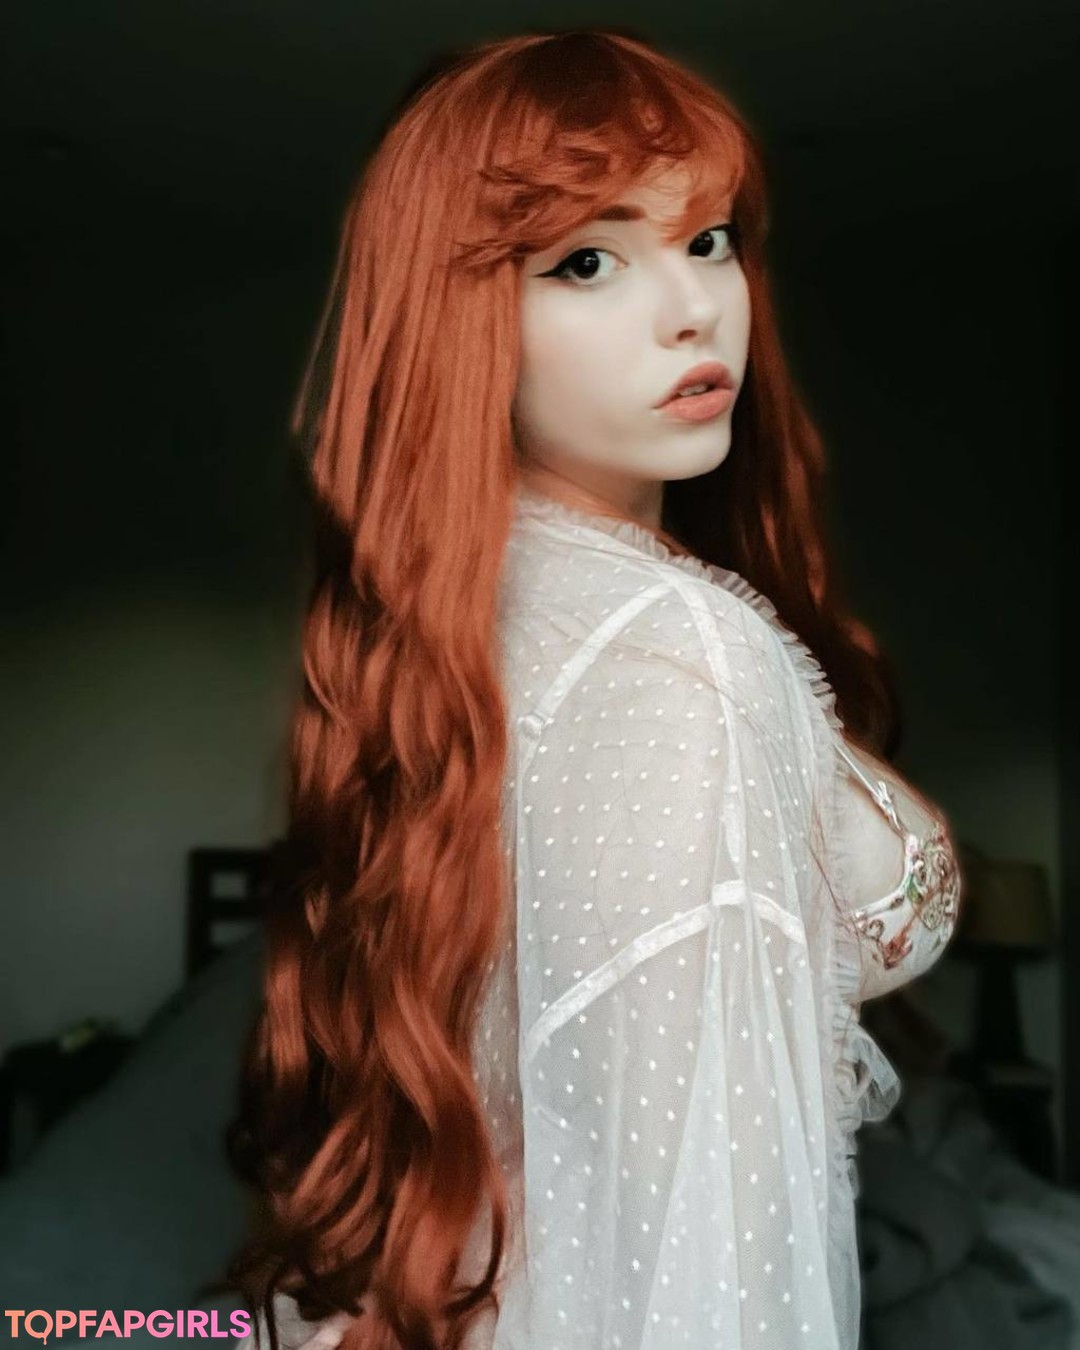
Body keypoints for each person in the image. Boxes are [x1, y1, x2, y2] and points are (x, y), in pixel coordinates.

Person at [221, 27, 962, 1350]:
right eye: (586, 260)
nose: (694, 308)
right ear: (461, 321)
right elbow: (711, 1279)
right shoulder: (673, 651)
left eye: (709, 240)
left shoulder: (492, 622)